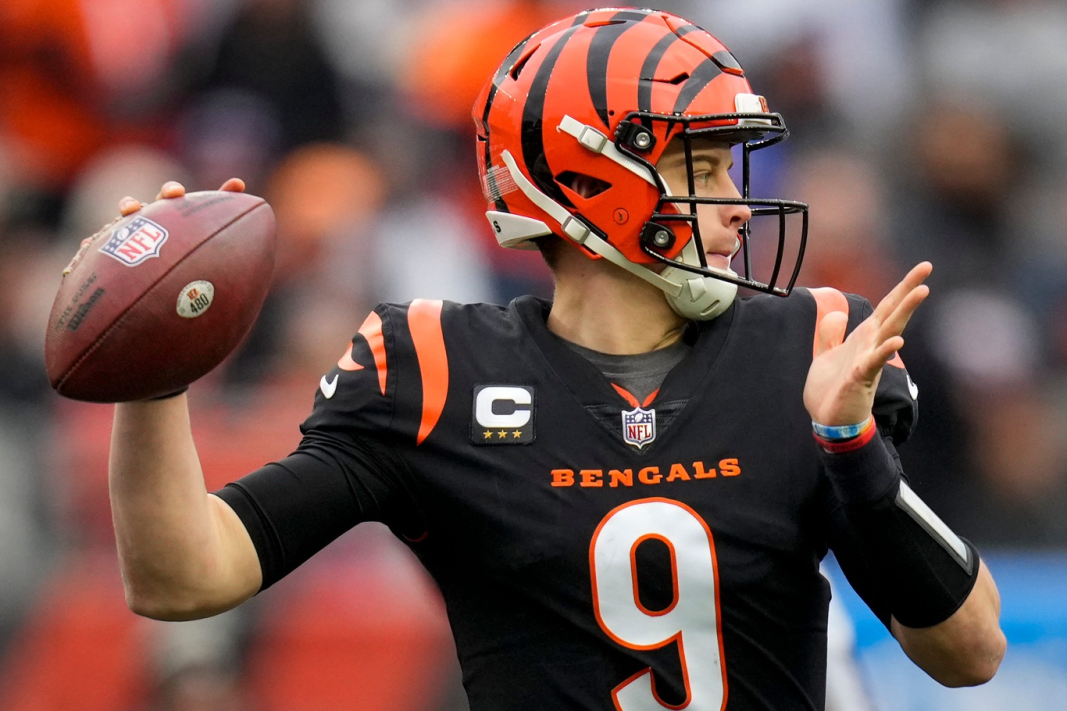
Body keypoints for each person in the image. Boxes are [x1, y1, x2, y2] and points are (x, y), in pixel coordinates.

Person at [105, 9, 1005, 710]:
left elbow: (969, 653)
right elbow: (184, 574)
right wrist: (152, 370)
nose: (740, 205)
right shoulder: (432, 368)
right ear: (590, 180)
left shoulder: (809, 351)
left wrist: (852, 451)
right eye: (703, 168)